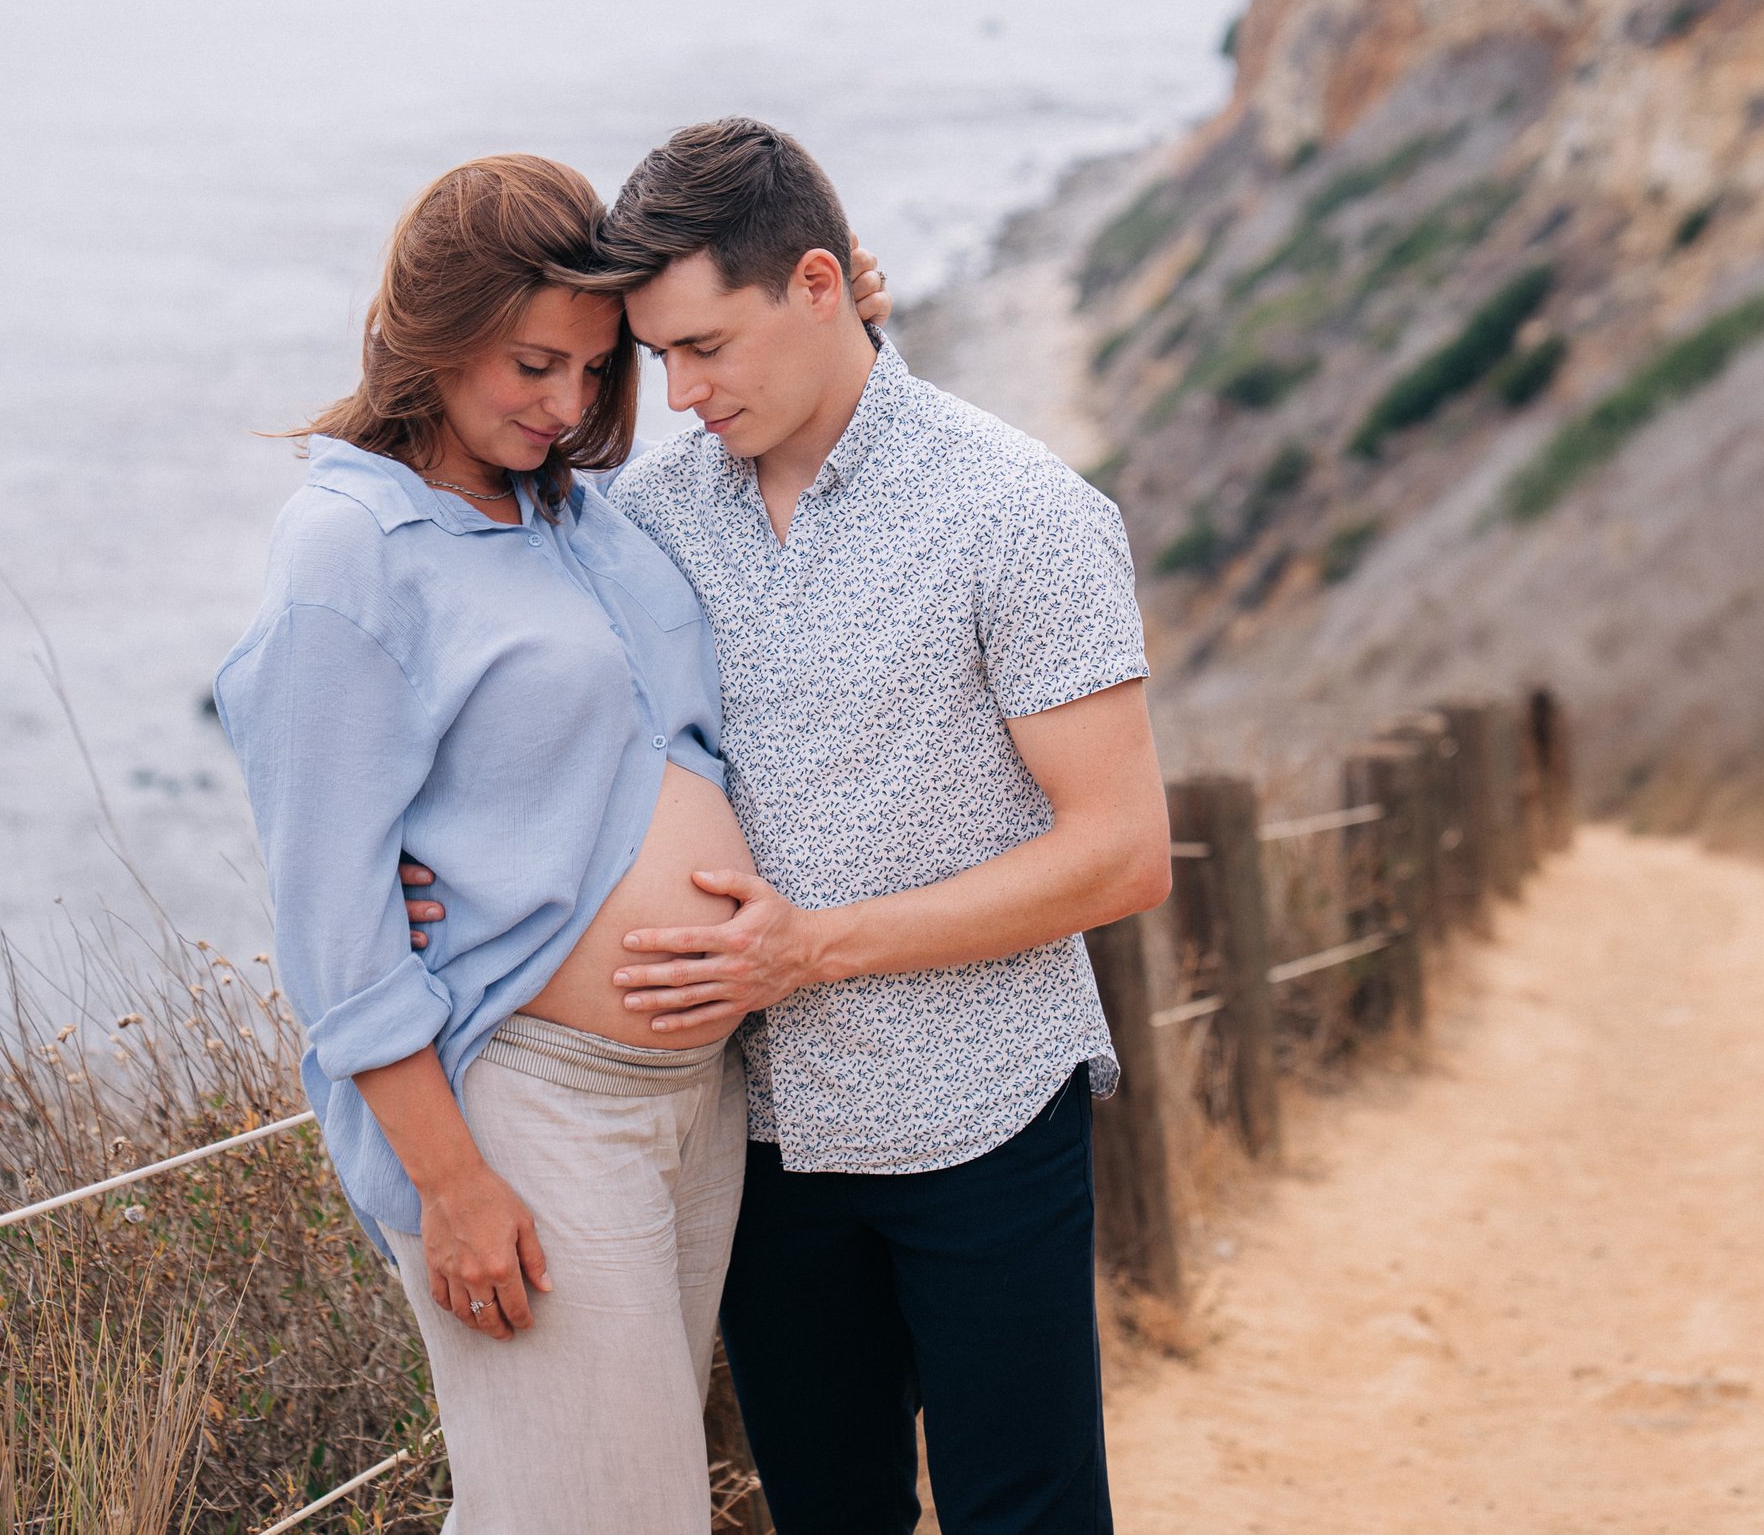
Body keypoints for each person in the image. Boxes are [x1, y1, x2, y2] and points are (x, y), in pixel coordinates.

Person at [409, 116, 1174, 1534]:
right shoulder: (640, 521)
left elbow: (1121, 851)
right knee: (828, 1516)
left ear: (822, 286)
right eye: (657, 356)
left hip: (981, 1112)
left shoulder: (1021, 514)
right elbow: (517, 691)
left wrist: (810, 952)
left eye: (708, 346)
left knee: (1031, 1513)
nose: (680, 392)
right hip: (752, 1133)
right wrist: (442, 868)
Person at [214, 152, 889, 1535]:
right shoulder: (349, 549)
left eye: (594, 371)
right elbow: (335, 920)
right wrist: (451, 1188)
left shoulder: (577, 511)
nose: (567, 405)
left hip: (697, 1108)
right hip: (527, 1104)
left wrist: (854, 332)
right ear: (434, 333)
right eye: (532, 365)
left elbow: (776, 476)